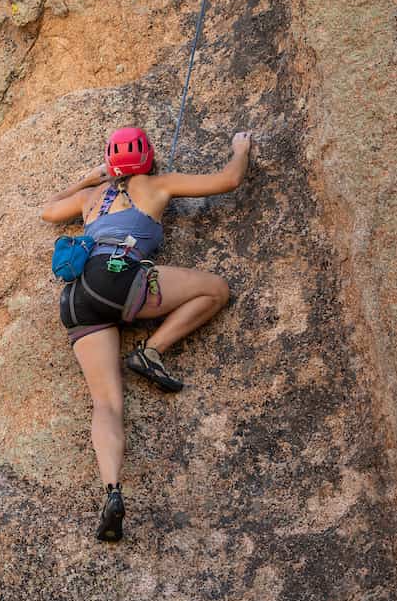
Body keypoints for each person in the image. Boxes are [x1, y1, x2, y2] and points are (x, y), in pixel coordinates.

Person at [41, 126, 251, 542]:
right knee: (216, 289)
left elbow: (46, 210)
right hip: (119, 277)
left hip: (77, 297)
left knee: (106, 402)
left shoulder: (90, 198)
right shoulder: (158, 184)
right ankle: (151, 351)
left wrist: (88, 178)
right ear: (149, 157)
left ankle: (113, 489)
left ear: (111, 163)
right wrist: (240, 148)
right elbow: (228, 180)